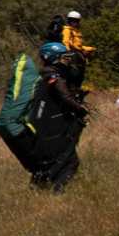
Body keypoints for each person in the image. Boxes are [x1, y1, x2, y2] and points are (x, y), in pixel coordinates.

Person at [25, 42, 89, 192]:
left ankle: (38, 188)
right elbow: (65, 96)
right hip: (50, 128)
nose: (66, 60)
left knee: (51, 160)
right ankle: (57, 192)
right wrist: (81, 109)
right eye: (63, 57)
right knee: (69, 161)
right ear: (53, 58)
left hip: (45, 126)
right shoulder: (52, 75)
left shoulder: (47, 73)